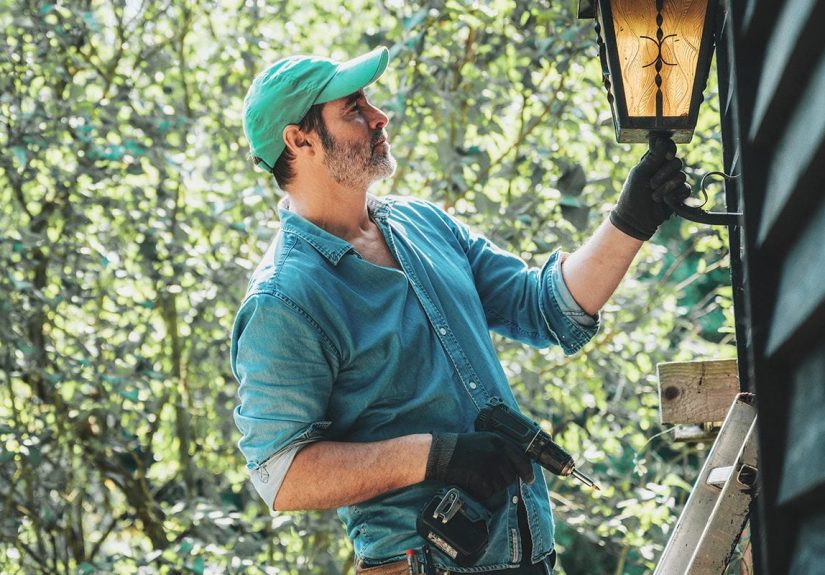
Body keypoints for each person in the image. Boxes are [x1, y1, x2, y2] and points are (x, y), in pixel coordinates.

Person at [231, 46, 690, 574]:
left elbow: (546, 308)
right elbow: (282, 475)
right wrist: (438, 455)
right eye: (354, 109)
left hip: (524, 550)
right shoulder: (285, 299)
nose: (380, 116)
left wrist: (631, 219)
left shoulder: (421, 224)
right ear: (299, 139)